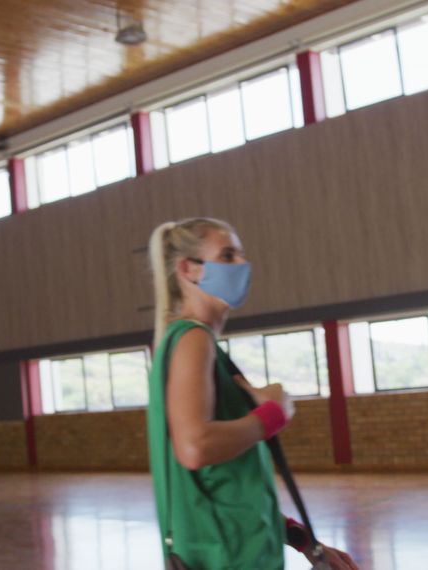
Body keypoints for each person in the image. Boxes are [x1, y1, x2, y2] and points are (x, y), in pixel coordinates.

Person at [147, 218, 357, 569]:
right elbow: (195, 446)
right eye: (227, 255)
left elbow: (226, 484)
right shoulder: (192, 339)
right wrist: (275, 414)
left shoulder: (202, 347)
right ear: (189, 270)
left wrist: (301, 539)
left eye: (241, 254)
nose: (242, 265)